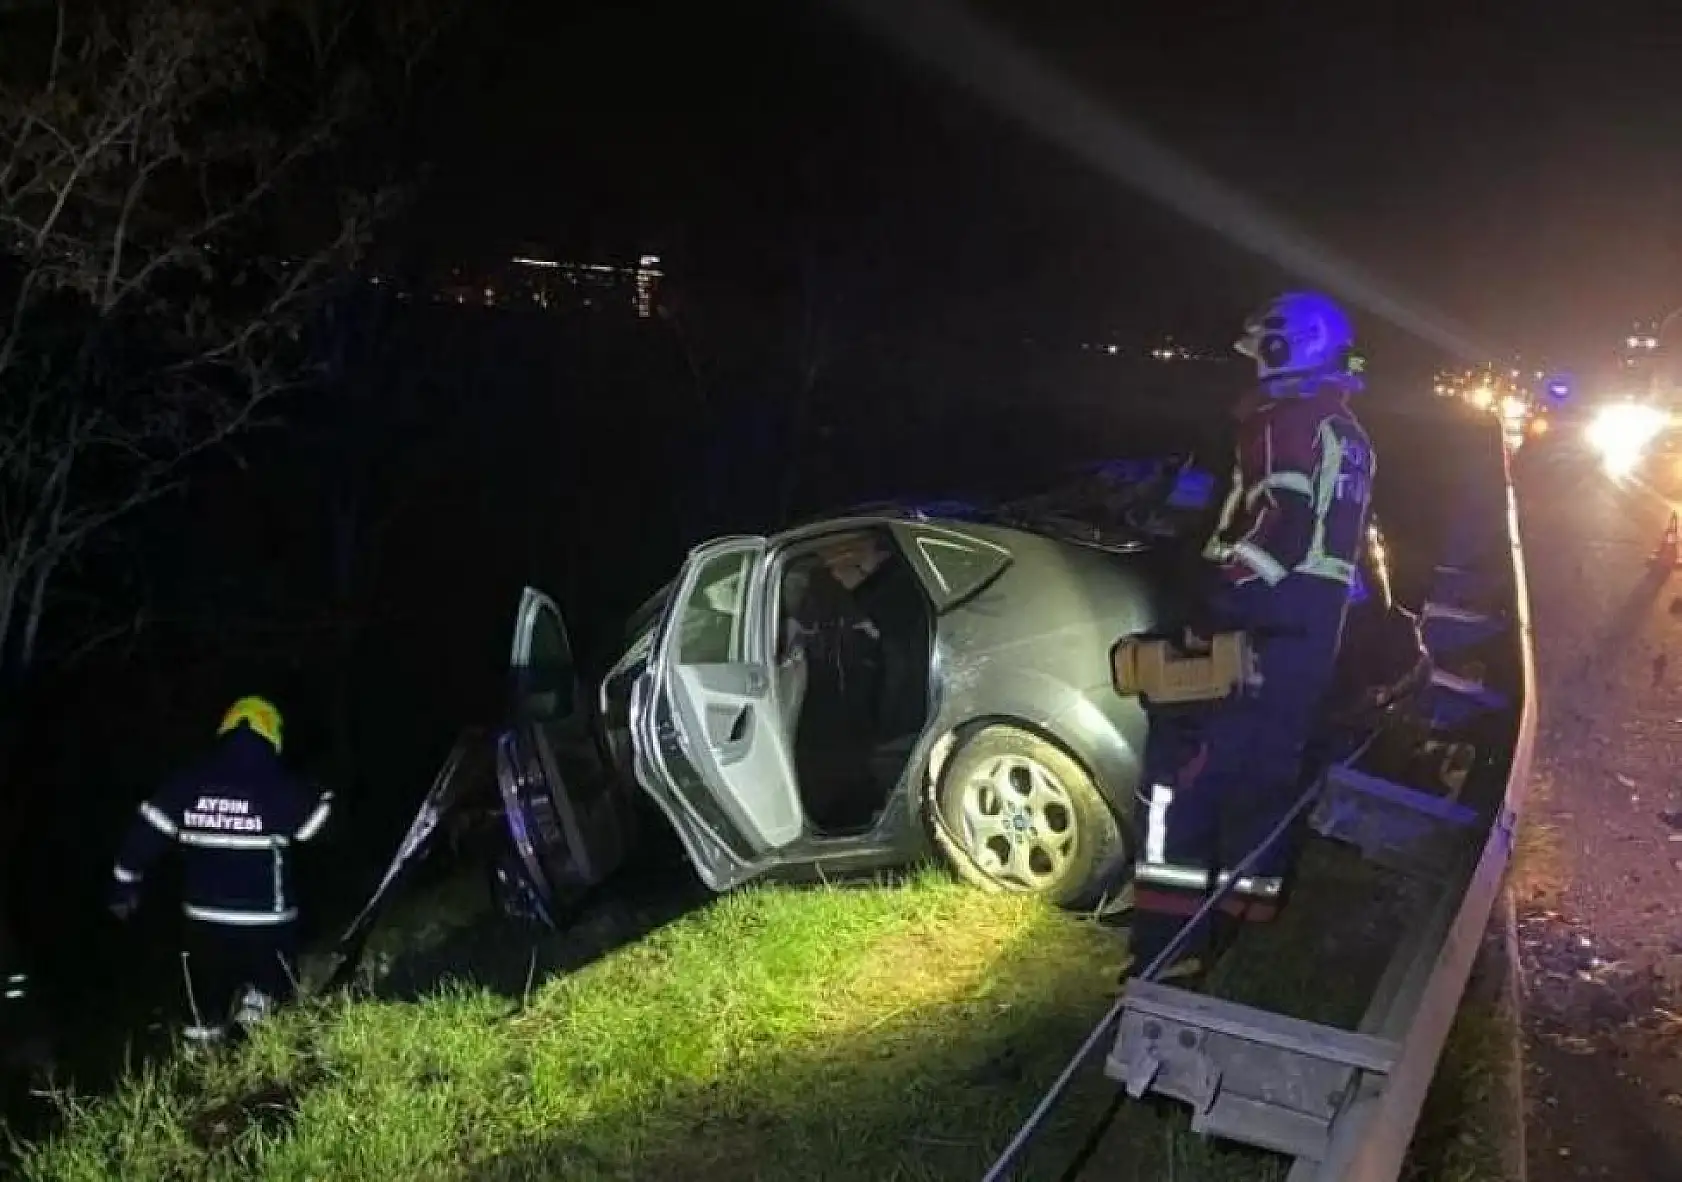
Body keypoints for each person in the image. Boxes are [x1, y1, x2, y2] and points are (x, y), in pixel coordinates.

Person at [1123, 291, 1375, 984]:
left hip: (1258, 622)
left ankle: (1164, 947)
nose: (1256, 358)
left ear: (1287, 345)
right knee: (1265, 778)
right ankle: (1242, 922)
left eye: (1264, 343)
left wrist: (1211, 600)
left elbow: (1282, 524)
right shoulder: (1348, 431)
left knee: (1180, 778)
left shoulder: (1283, 417)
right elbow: (1336, 540)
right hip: (1312, 634)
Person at [108, 696, 332, 1044]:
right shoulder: (278, 785)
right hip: (267, 927)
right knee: (273, 993)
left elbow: (141, 838)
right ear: (273, 735)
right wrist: (323, 796)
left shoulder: (188, 781)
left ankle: (201, 1063)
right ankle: (256, 1032)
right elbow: (314, 829)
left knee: (201, 1011)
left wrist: (123, 888)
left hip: (203, 927)